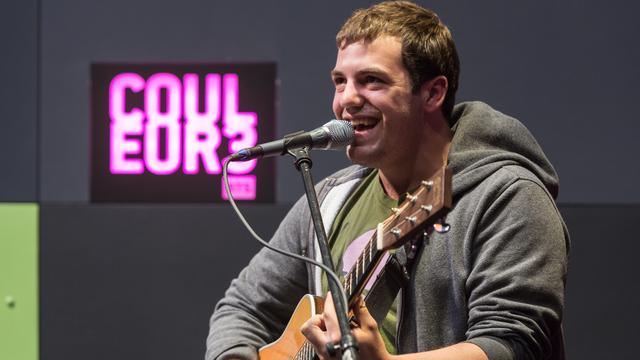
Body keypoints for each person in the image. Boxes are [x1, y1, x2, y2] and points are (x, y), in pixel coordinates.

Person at [206, 1, 569, 359]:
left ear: (432, 93)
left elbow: (513, 344)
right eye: (340, 82)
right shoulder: (331, 200)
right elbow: (242, 307)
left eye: (371, 81)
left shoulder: (507, 196)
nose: (347, 99)